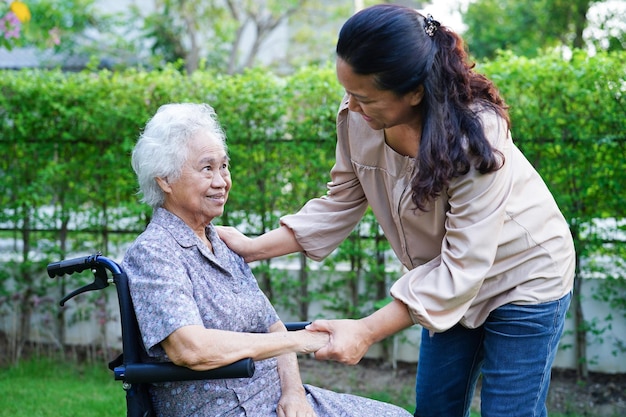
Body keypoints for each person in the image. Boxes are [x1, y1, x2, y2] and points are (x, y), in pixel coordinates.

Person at [217, 5, 576, 417]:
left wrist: (366, 331)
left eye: (364, 97)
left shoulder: (475, 138)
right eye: (348, 92)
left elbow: (464, 265)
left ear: (415, 92)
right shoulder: (359, 119)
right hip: (443, 279)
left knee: (508, 412)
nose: (351, 106)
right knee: (435, 408)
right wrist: (251, 248)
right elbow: (340, 201)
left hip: (524, 276)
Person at [122, 102, 412, 417]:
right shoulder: (154, 252)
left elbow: (273, 327)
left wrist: (294, 395)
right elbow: (190, 348)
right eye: (207, 168)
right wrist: (302, 341)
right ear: (165, 179)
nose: (222, 181)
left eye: (224, 166)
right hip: (222, 410)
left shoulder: (220, 241)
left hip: (276, 401)